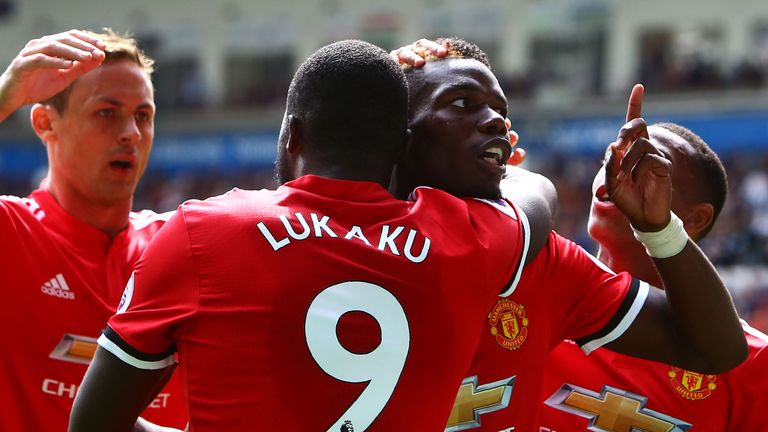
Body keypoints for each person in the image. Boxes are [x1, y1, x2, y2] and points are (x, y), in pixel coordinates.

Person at [69, 39, 533, 432]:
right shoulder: (464, 237)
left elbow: (93, 423)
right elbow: (535, 196)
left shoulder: (201, 232)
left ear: (293, 134)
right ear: (402, 147)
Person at [390, 37, 747, 432]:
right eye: (462, 103)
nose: (495, 120)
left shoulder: (548, 265)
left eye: (501, 112)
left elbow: (720, 350)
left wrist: (660, 231)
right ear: (394, 134)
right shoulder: (327, 232)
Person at [0, 29, 187, 430]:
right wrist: (5, 94)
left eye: (143, 115)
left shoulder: (185, 246)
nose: (131, 133)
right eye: (107, 112)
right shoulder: (9, 234)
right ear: (45, 122)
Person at [537, 122, 768, 431]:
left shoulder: (752, 365)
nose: (618, 173)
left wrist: (660, 233)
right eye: (614, 157)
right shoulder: (529, 300)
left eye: (646, 163)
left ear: (697, 217)